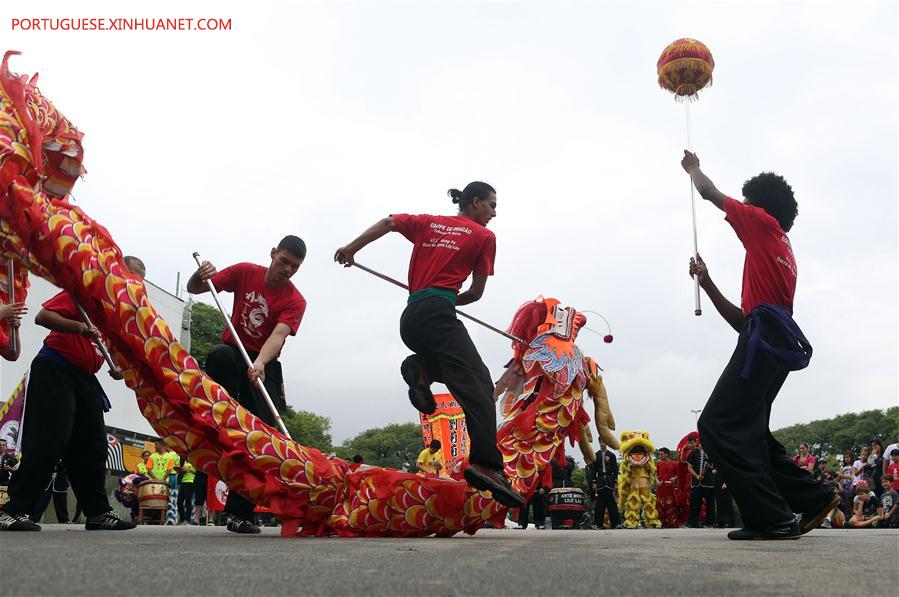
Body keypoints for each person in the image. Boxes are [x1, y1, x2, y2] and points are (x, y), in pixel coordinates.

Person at [334, 182, 522, 507]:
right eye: (491, 204)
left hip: (411, 318)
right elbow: (476, 293)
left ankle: (422, 368)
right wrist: (449, 299)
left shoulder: (428, 222)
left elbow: (389, 222)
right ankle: (487, 465)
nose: (494, 212)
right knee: (479, 383)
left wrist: (351, 249)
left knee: (455, 372)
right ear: (475, 202)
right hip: (438, 314)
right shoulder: (484, 238)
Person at [682, 151, 838, 540]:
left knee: (715, 424)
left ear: (760, 206)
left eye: (746, 200)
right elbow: (745, 322)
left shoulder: (763, 224)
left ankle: (773, 517)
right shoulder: (782, 250)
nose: (741, 206)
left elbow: (707, 192)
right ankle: (814, 497)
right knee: (751, 431)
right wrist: (708, 282)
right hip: (770, 337)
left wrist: (693, 167)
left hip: (766, 338)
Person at [0, 257, 146, 532]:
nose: (134, 286)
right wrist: (79, 327)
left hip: (85, 378)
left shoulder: (118, 313)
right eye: (132, 278)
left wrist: (120, 369)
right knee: (49, 440)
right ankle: (14, 510)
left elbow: (116, 354)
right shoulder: (88, 293)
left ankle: (98, 513)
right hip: (55, 367)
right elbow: (43, 317)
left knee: (93, 445)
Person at [188, 236, 307, 534]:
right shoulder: (244, 272)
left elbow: (278, 335)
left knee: (262, 436)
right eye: (283, 262)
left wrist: (261, 363)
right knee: (218, 354)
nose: (287, 270)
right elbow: (197, 288)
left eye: (294, 267)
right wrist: (199, 274)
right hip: (233, 352)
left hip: (264, 363)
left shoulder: (295, 300)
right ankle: (224, 404)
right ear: (273, 254)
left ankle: (240, 513)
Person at [591, 440, 619, 529]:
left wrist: (615, 482)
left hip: (609, 480)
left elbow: (615, 469)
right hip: (600, 481)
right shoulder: (595, 455)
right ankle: (598, 524)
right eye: (600, 442)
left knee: (612, 503)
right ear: (599, 442)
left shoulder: (611, 455)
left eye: (603, 442)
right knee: (599, 504)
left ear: (606, 443)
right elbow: (593, 470)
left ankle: (616, 523)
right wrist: (594, 482)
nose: (602, 443)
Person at [686, 444, 715, 528]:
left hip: (709, 482)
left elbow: (714, 467)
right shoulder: (694, 452)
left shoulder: (711, 452)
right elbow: (689, 467)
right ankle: (692, 522)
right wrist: (696, 476)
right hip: (696, 482)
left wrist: (710, 467)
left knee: (710, 503)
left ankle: (710, 523)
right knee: (694, 503)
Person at [655, 447, 679, 528]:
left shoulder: (674, 464)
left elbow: (679, 475)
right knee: (660, 505)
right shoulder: (659, 464)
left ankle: (671, 524)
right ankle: (661, 523)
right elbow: (655, 474)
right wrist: (657, 481)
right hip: (661, 488)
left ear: (667, 454)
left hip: (669, 488)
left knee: (670, 505)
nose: (660, 456)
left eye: (661, 454)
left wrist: (674, 478)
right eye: (660, 454)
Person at [177, 461, 196, 525]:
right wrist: (181, 470)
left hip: (191, 481)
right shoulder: (184, 461)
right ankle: (182, 518)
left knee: (188, 501)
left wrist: (189, 469)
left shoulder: (194, 461)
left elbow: (197, 472)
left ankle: (187, 519)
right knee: (179, 501)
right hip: (183, 481)